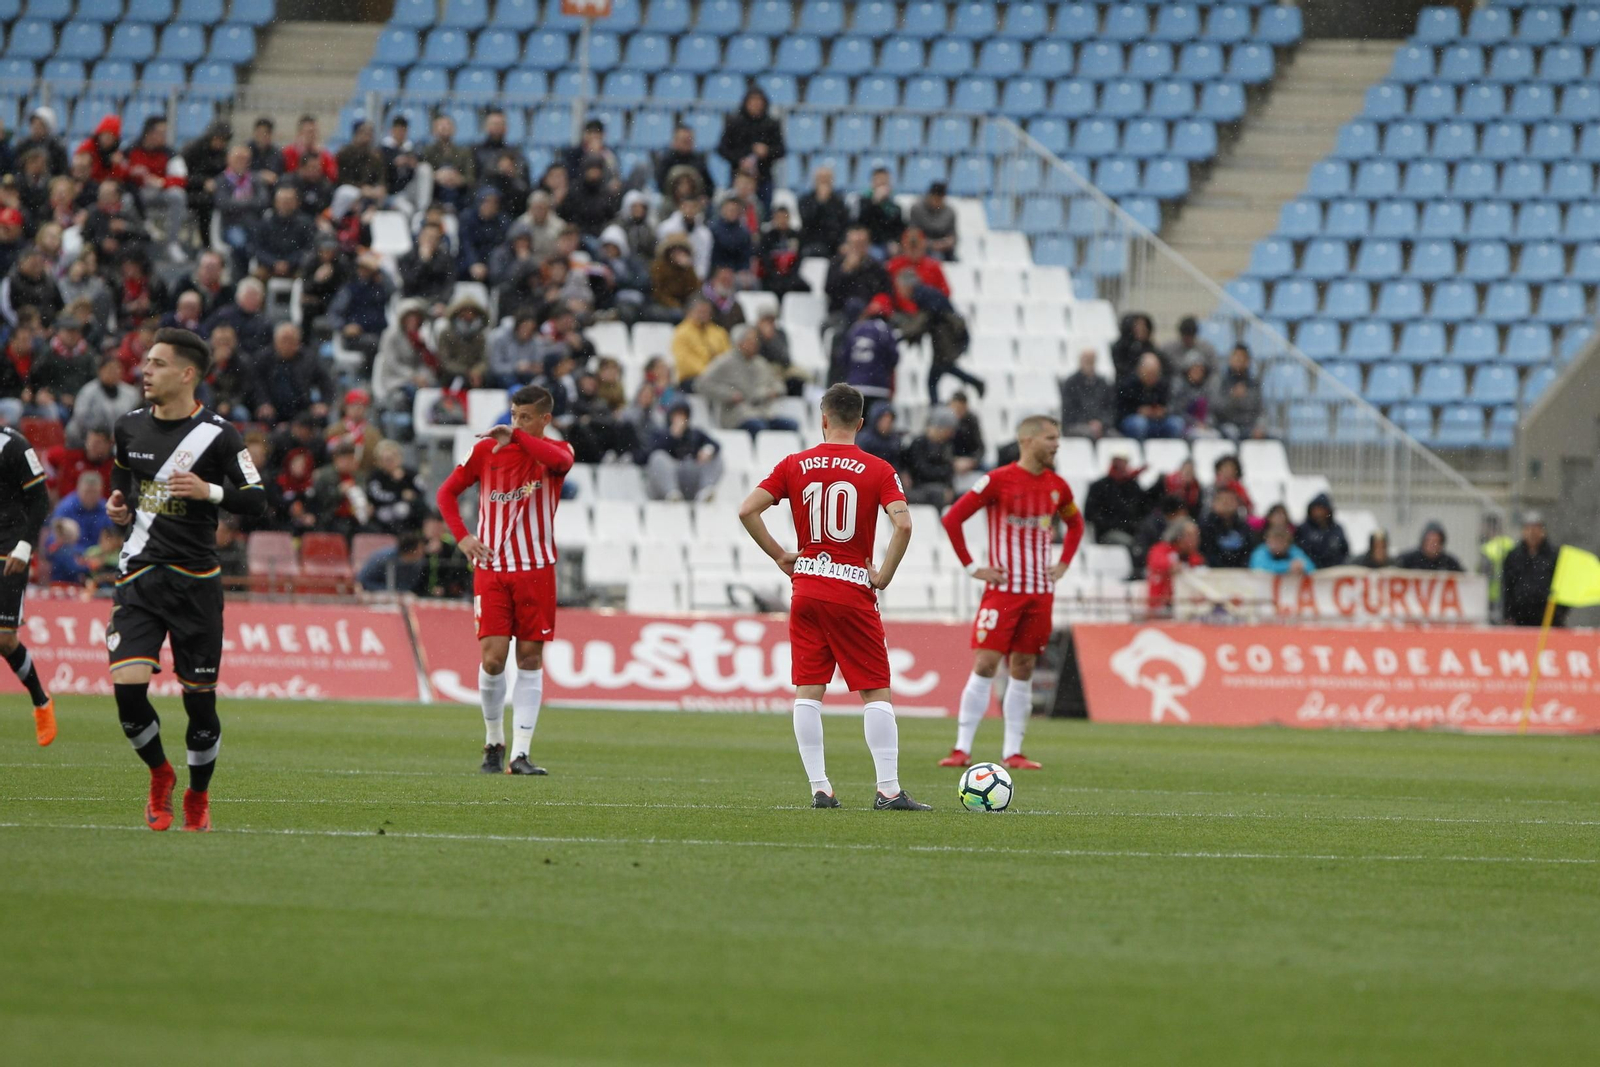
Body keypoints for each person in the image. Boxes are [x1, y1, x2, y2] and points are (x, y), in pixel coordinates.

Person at [105, 328, 269, 832]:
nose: (144, 372)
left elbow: (256, 499)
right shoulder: (128, 427)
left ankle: (198, 796)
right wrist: (120, 506)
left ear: (186, 374)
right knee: (127, 691)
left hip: (196, 581)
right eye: (145, 363)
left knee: (200, 704)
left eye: (156, 364)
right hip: (139, 575)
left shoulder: (220, 436)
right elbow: (123, 479)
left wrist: (209, 491)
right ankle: (160, 775)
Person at [738, 383, 927, 810]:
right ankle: (889, 790)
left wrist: (781, 556)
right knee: (875, 691)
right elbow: (905, 525)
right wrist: (883, 575)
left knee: (809, 690)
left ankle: (820, 788)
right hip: (850, 590)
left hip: (806, 587)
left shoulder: (794, 464)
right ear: (860, 423)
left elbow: (747, 509)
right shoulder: (877, 469)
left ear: (823, 419)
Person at [435, 385, 573, 775]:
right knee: (493, 660)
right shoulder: (484, 452)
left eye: (526, 417)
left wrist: (520, 437)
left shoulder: (556, 454)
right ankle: (494, 741)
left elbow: (557, 460)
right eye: (514, 415)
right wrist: (462, 536)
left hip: (537, 569)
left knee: (529, 658)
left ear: (545, 420)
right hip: (493, 570)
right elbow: (446, 494)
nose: (516, 423)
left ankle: (521, 754)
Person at [939, 415, 1084, 770]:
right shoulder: (997, 481)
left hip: (1039, 592)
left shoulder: (1058, 487)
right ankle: (962, 749)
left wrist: (1063, 563)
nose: (1056, 444)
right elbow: (952, 518)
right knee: (986, 663)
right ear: (1028, 440)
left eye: (1058, 438)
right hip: (1003, 592)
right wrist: (973, 567)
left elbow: (1076, 523)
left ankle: (1013, 752)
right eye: (1050, 438)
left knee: (1024, 667)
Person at [0, 421, 55, 744]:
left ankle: (41, 700)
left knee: (5, 640)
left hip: (9, 549)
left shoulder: (14, 446)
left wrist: (25, 545)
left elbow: (39, 499)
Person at [697, 326, 797, 435]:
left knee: (791, 425)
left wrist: (774, 391)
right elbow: (702, 384)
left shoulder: (761, 363)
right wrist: (730, 394)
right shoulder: (725, 362)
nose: (755, 343)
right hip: (737, 415)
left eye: (756, 340)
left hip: (763, 414)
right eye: (751, 340)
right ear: (739, 342)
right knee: (759, 427)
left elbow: (779, 384)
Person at [717, 87, 785, 210]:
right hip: (738, 176)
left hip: (763, 177)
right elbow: (722, 149)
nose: (756, 105)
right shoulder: (735, 123)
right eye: (752, 101)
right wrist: (740, 159)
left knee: (763, 211)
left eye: (759, 102)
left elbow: (781, 150)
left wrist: (767, 151)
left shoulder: (771, 124)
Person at [641, 401, 723, 501]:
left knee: (716, 457)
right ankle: (671, 493)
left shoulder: (696, 434)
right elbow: (650, 454)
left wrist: (707, 451)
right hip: (670, 475)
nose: (680, 419)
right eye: (676, 415)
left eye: (683, 415)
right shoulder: (660, 433)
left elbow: (715, 445)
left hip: (691, 477)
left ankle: (705, 492)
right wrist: (672, 436)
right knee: (658, 457)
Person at [1502, 512, 1563, 627]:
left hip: (1548, 618)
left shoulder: (1554, 555)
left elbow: (1563, 585)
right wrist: (1508, 615)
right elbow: (1507, 586)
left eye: (1536, 529)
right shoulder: (1514, 556)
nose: (1532, 533)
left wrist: (1559, 613)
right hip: (1520, 617)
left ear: (1543, 532)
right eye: (1528, 529)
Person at [839, 294, 899, 400]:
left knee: (858, 416)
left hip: (854, 387)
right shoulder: (885, 330)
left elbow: (844, 358)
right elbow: (893, 358)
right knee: (875, 415)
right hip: (879, 387)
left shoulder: (855, 328)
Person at [68, 356, 140, 441]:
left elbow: (136, 419)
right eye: (110, 369)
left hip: (120, 439)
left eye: (117, 369)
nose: (113, 373)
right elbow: (80, 419)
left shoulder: (131, 393)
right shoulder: (88, 391)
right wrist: (104, 435)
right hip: (88, 439)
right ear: (100, 371)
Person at [1084, 455, 1151, 546]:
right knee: (1133, 545)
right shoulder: (1100, 486)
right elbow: (1091, 514)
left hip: (1132, 532)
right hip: (1107, 533)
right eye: (1118, 462)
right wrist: (1117, 524)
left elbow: (1143, 507)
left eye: (1124, 462)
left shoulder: (1132, 485)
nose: (1121, 466)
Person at [900, 407, 960, 507]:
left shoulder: (945, 445)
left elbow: (949, 471)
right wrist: (943, 472)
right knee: (938, 494)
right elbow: (921, 471)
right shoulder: (918, 443)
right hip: (919, 487)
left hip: (939, 487)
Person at [1118, 352, 1184, 440]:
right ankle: (1140, 450)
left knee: (1177, 423)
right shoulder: (1128, 385)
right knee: (1139, 423)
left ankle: (1168, 451)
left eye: (1155, 373)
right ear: (1140, 370)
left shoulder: (1163, 385)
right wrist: (1138, 411)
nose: (1152, 377)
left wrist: (1162, 411)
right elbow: (1120, 411)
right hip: (1134, 421)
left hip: (1158, 422)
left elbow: (1170, 406)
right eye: (1149, 373)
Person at [1147, 518, 1205, 615]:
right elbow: (1158, 564)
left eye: (1197, 535)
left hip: (1187, 608)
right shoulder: (1161, 550)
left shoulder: (1196, 558)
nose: (1196, 540)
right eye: (1190, 535)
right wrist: (1173, 567)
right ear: (1178, 537)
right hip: (1161, 607)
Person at [671, 295, 731, 388]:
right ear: (689, 312)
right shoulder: (681, 332)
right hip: (693, 378)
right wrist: (708, 371)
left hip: (718, 377)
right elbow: (684, 361)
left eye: (706, 312)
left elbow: (727, 355)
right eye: (700, 311)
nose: (703, 315)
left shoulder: (719, 332)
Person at [1211, 343, 1265, 440]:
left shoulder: (1253, 383)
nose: (1239, 361)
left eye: (1242, 358)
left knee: (1277, 436)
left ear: (1248, 361)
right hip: (1226, 424)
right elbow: (1216, 409)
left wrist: (1259, 427)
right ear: (1230, 359)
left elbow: (1260, 410)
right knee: (1232, 432)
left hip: (1249, 425)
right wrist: (1232, 397)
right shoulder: (1220, 380)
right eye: (1236, 357)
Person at [1060, 348, 1115, 439]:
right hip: (1075, 425)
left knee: (1117, 438)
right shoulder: (1071, 383)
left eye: (1092, 361)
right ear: (1080, 361)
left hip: (1101, 427)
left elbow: (1110, 409)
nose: (1089, 364)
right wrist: (1088, 422)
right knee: (1090, 433)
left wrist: (1101, 423)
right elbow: (1069, 411)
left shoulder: (1103, 383)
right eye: (1087, 360)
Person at [798, 165, 850, 259]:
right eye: (821, 179)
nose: (824, 183)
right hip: (811, 242)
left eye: (826, 179)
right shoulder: (805, 200)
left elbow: (843, 225)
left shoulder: (839, 202)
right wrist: (821, 203)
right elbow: (807, 221)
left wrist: (843, 243)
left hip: (833, 244)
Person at [52, 470, 112, 550]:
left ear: (101, 491)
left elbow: (113, 537)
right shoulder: (66, 507)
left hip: (99, 553)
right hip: (70, 552)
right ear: (78, 489)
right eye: (87, 492)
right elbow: (53, 538)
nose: (90, 496)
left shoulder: (107, 509)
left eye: (94, 492)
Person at [654, 123, 714, 201]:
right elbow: (661, 185)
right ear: (674, 141)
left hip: (695, 202)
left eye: (690, 140)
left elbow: (710, 185)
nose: (687, 143)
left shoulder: (699, 160)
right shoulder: (666, 160)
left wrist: (704, 197)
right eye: (684, 140)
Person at [1199, 484, 1254, 569]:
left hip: (1240, 575)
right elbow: (1206, 552)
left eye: (1230, 500)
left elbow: (1248, 552)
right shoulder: (1205, 527)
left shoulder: (1244, 527)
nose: (1226, 504)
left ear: (1237, 504)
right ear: (1214, 504)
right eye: (1222, 500)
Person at [359, 529, 427, 593]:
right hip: (377, 593)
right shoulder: (382, 558)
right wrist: (386, 590)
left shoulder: (418, 562)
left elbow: (410, 585)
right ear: (411, 550)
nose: (423, 552)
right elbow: (363, 579)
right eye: (420, 549)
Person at [858, 167, 904, 257]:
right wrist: (875, 202)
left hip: (888, 244)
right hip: (870, 243)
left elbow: (898, 229)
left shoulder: (894, 205)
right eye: (879, 180)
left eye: (885, 180)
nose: (883, 184)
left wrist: (895, 242)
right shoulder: (863, 201)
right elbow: (863, 224)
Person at [1294, 493, 1350, 569]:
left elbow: (1345, 552)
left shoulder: (1337, 530)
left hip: (1333, 573)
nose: (1319, 513)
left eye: (1322, 509)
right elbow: (1296, 551)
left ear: (1328, 510)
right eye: (1316, 509)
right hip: (1309, 573)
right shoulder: (1303, 529)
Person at [908, 181, 958, 260]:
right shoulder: (917, 209)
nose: (937, 203)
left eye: (940, 199)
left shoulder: (950, 212)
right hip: (922, 247)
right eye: (935, 198)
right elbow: (912, 233)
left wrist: (944, 243)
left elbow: (953, 237)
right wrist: (930, 244)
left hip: (944, 249)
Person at [1250, 525, 1315, 576]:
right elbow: (1259, 568)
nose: (1277, 545)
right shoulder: (1260, 551)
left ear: (1287, 543)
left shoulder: (1293, 550)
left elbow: (1310, 567)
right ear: (1267, 541)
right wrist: (1287, 566)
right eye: (1274, 541)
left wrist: (1302, 568)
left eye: (1280, 542)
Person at [1111, 312, 1159, 380]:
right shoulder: (1121, 348)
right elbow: (1122, 369)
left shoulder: (1150, 347)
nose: (1142, 329)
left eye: (1144, 326)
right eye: (1137, 326)